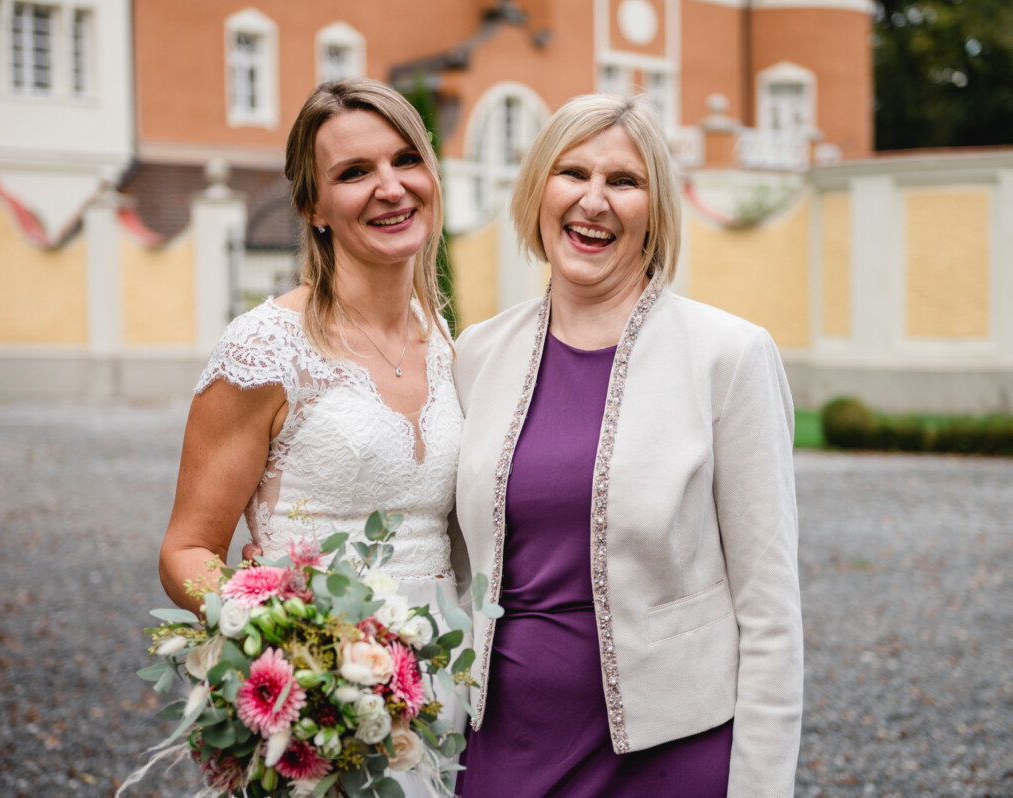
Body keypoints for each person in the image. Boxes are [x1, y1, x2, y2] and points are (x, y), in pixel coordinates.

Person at [452, 93, 803, 797]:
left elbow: (770, 612)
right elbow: (456, 573)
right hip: (500, 748)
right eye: (572, 173)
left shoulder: (728, 357)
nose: (594, 201)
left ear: (656, 207)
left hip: (668, 757)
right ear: (537, 191)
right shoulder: (475, 354)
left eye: (624, 181)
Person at [157, 78, 464, 790]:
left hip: (447, 687)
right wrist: (291, 650)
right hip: (323, 707)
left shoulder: (449, 344)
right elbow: (187, 549)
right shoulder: (266, 348)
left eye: (405, 160)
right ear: (312, 207)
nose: (390, 187)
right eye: (355, 173)